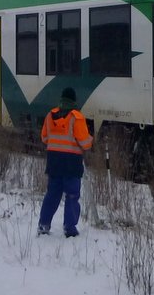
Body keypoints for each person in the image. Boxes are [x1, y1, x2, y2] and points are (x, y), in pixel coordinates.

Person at [38, 87, 93, 237]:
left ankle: (43, 226)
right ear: (74, 101)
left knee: (52, 194)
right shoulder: (77, 117)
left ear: (61, 99)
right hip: (71, 162)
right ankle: (69, 229)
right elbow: (85, 143)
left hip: (54, 161)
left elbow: (44, 138)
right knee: (72, 195)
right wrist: (90, 139)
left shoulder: (51, 115)